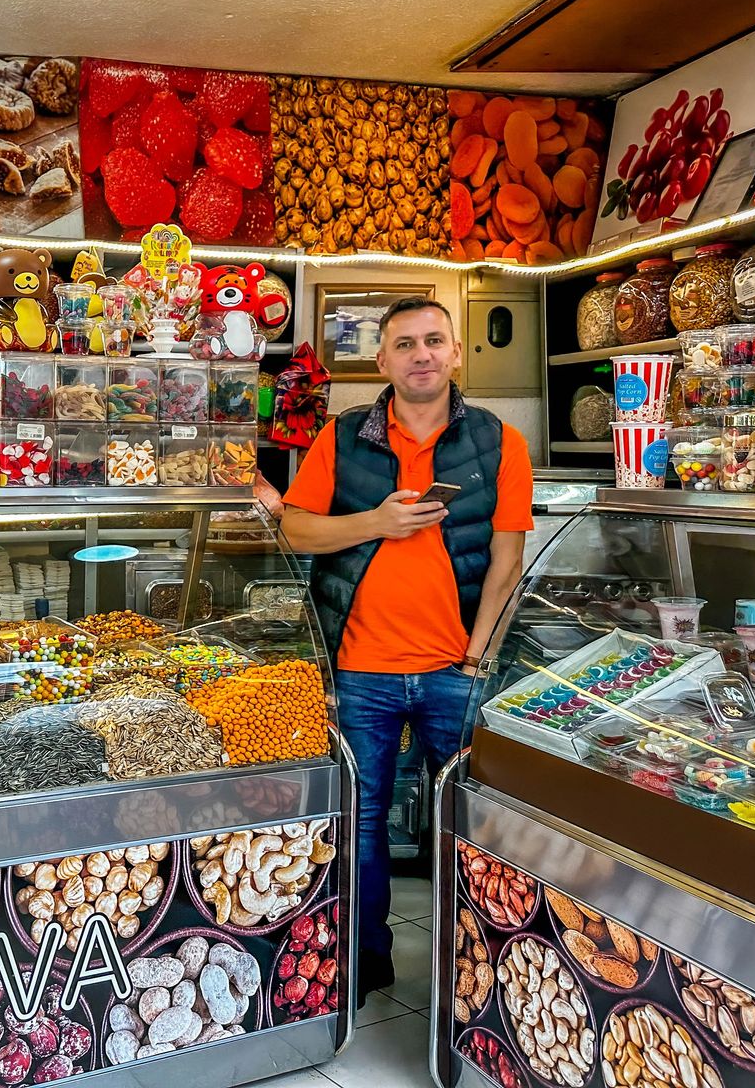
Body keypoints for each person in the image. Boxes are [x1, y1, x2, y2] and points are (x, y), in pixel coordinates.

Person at [279, 296, 532, 1005]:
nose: (421, 354)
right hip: (359, 671)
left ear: (456, 354)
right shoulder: (340, 439)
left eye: (433, 340)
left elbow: (507, 560)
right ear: (383, 360)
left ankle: (472, 977)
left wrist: (478, 660)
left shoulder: (500, 442)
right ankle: (365, 962)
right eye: (404, 343)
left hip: (457, 673)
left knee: (468, 835)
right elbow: (296, 532)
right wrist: (376, 521)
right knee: (359, 831)